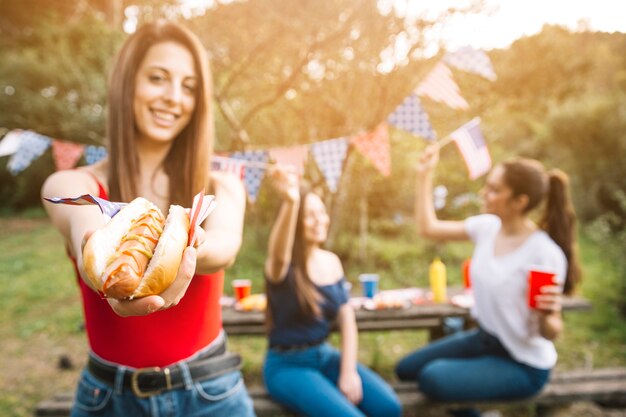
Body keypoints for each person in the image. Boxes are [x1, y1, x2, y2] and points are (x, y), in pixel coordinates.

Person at [41, 21, 255, 416]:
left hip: (212, 394)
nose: (174, 97)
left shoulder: (224, 186)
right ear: (128, 85)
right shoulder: (71, 183)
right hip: (107, 400)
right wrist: (108, 271)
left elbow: (223, 248)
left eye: (189, 86)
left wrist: (187, 245)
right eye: (158, 78)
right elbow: (88, 237)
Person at [395, 145, 582, 417]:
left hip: (523, 362)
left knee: (433, 377)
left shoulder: (544, 253)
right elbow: (429, 228)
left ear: (519, 201)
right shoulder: (487, 227)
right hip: (486, 340)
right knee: (406, 369)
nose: (485, 192)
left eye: (495, 189)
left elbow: (550, 331)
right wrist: (424, 174)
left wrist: (547, 315)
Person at [261, 166, 402, 417]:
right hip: (287, 366)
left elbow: (347, 321)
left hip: (325, 356)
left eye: (322, 213)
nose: (320, 221)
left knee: (389, 408)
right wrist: (291, 200)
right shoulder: (280, 266)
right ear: (294, 222)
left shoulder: (331, 261)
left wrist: (349, 372)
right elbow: (278, 252)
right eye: (310, 216)